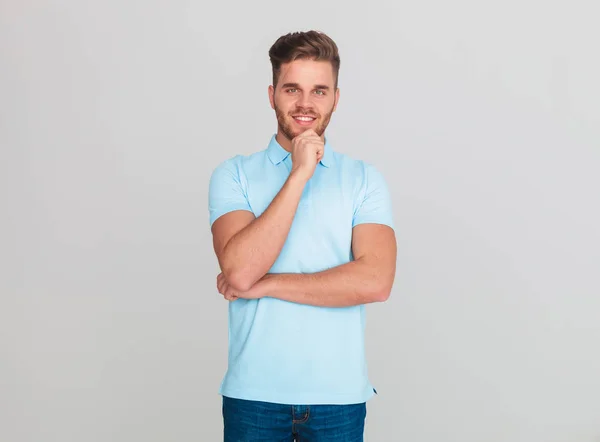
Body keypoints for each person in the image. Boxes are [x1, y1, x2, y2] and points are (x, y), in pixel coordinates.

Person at [208, 30, 397, 441]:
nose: (306, 104)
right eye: (292, 89)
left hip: (339, 397)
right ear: (272, 94)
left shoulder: (364, 179)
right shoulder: (233, 174)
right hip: (253, 395)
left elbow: (376, 282)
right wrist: (299, 173)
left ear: (336, 98)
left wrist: (270, 283)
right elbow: (240, 274)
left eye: (319, 91)